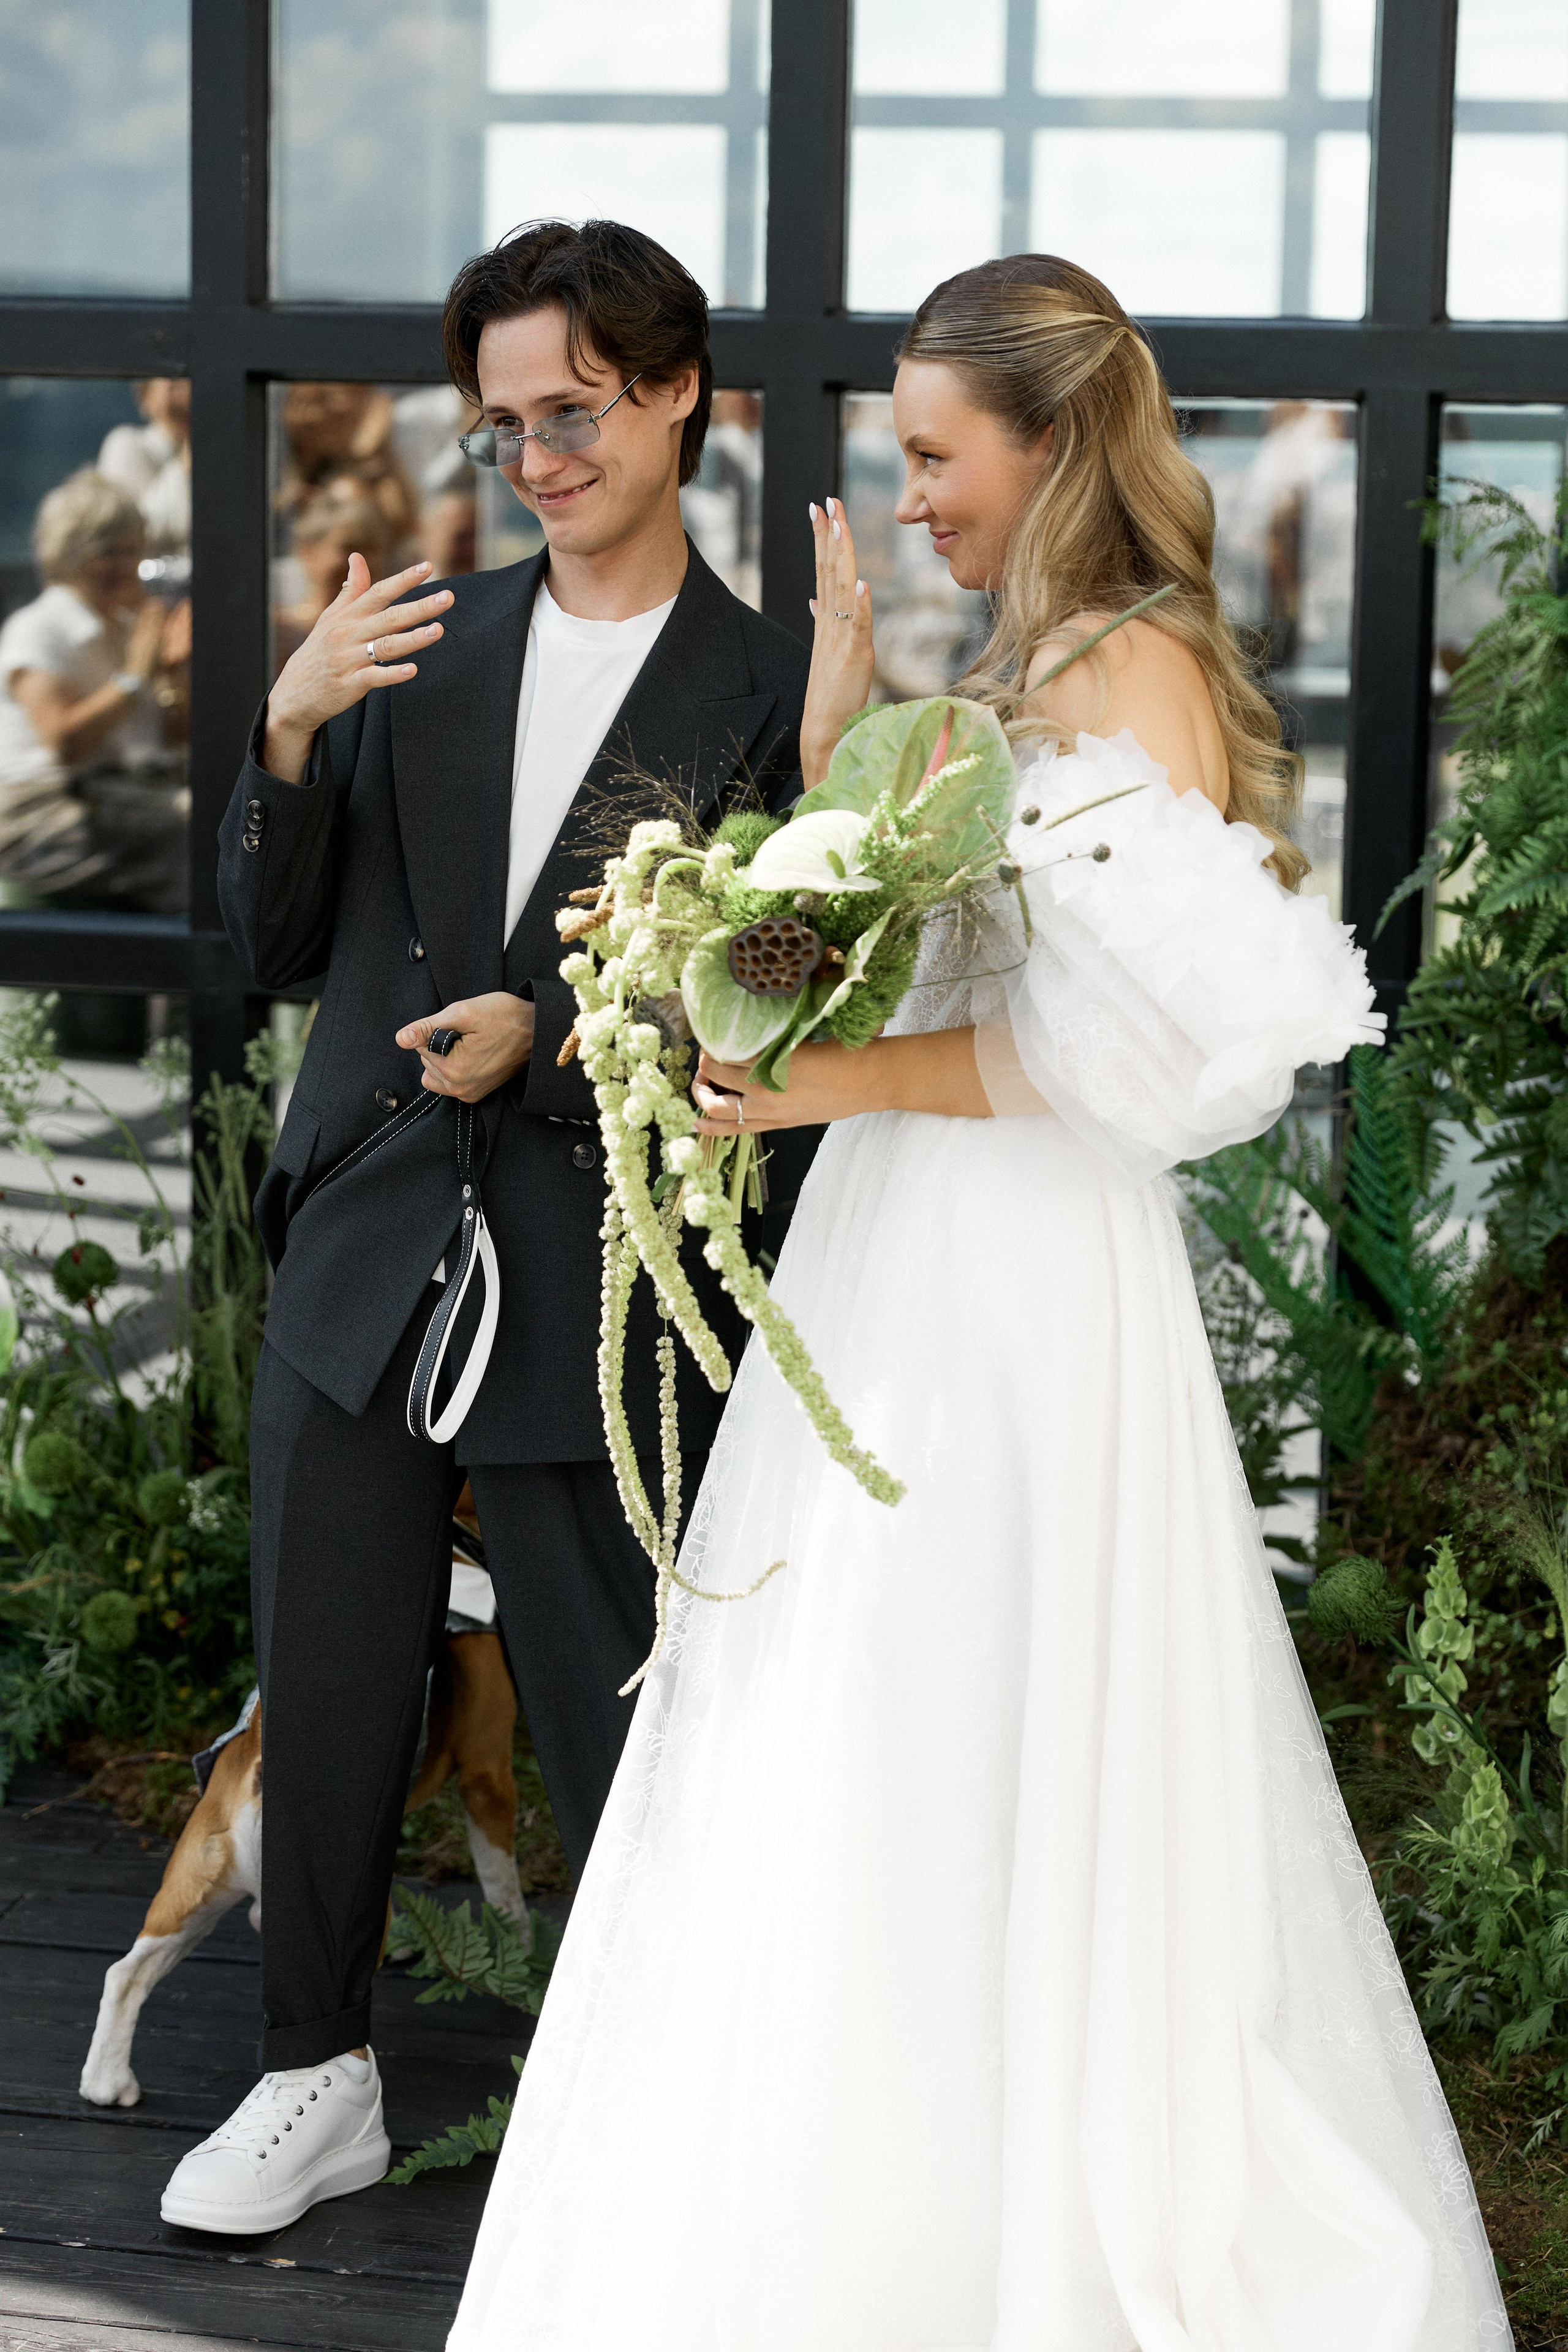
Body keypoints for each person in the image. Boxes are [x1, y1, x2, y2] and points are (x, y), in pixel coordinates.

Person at [448, 256, 1510, 2348]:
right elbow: (957, 964)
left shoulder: (1129, 670)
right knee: (870, 1732)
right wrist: (829, 766)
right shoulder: (1030, 663)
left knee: (955, 1715)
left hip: (1013, 1289)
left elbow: (1147, 1059)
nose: (910, 495)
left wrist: (826, 1081)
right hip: (917, 1250)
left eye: (937, 457)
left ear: (1053, 443)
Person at [157, 219, 812, 2237]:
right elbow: (271, 946)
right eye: (503, 424)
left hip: (605, 1281)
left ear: (678, 392)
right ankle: (313, 2075)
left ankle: (645, 2115)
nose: (539, 456)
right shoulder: (417, 645)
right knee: (331, 1684)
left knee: (622, 1716)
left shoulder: (773, 686)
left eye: (577, 410)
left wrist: (555, 1036)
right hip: (365, 1255)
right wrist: (284, 732)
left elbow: (783, 1003)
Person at [0, 469, 189, 910]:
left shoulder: (125, 627)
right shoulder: (39, 626)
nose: (128, 565)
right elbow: (67, 744)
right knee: (199, 836)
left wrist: (176, 676)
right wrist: (134, 677)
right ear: (69, 556)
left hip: (119, 794)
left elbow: (173, 738)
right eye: (109, 552)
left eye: (134, 549)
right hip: (41, 810)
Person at [271, 483, 400, 674]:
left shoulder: (391, 631)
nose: (365, 561)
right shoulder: (280, 633)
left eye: (373, 549)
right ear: (308, 552)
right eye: (350, 548)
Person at [97, 377, 192, 563]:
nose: (188, 398)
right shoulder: (128, 445)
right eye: (175, 387)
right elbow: (134, 535)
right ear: (145, 398)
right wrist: (184, 464)